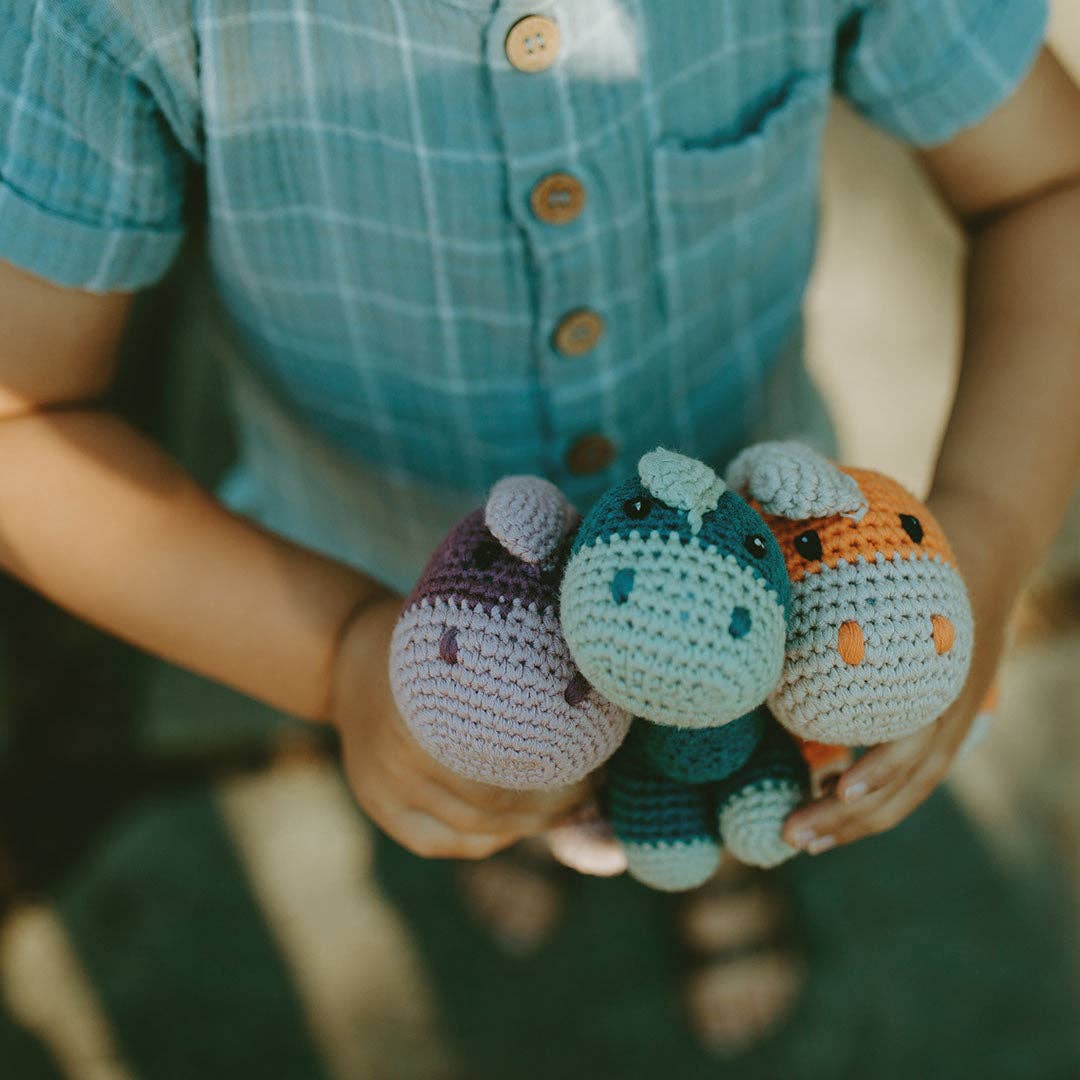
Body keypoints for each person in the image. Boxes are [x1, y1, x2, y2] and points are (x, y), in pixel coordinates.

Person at [2, 0, 1079, 1057]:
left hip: (771, 587)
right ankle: (509, 838)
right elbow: (22, 418)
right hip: (406, 599)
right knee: (483, 772)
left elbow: (1048, 188)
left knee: (743, 772)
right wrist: (338, 657)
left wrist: (987, 534)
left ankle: (723, 874)